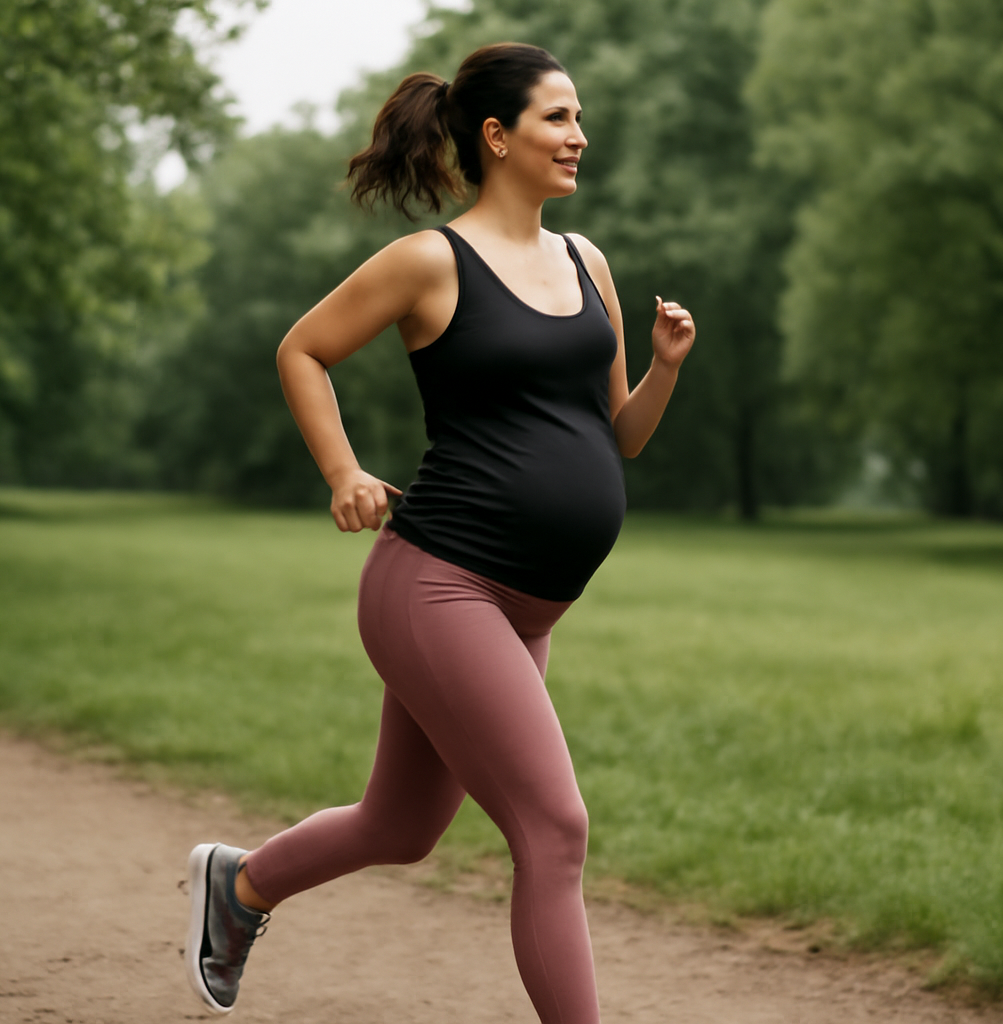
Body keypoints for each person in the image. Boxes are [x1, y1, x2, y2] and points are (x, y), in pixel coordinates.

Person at [185, 41, 696, 1023]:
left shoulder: (587, 261)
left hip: (526, 608)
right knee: (555, 829)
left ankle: (240, 886)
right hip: (440, 584)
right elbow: (304, 349)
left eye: (579, 116)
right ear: (496, 136)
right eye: (558, 117)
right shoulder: (433, 261)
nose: (579, 135)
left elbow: (618, 432)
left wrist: (667, 366)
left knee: (404, 823)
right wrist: (342, 472)